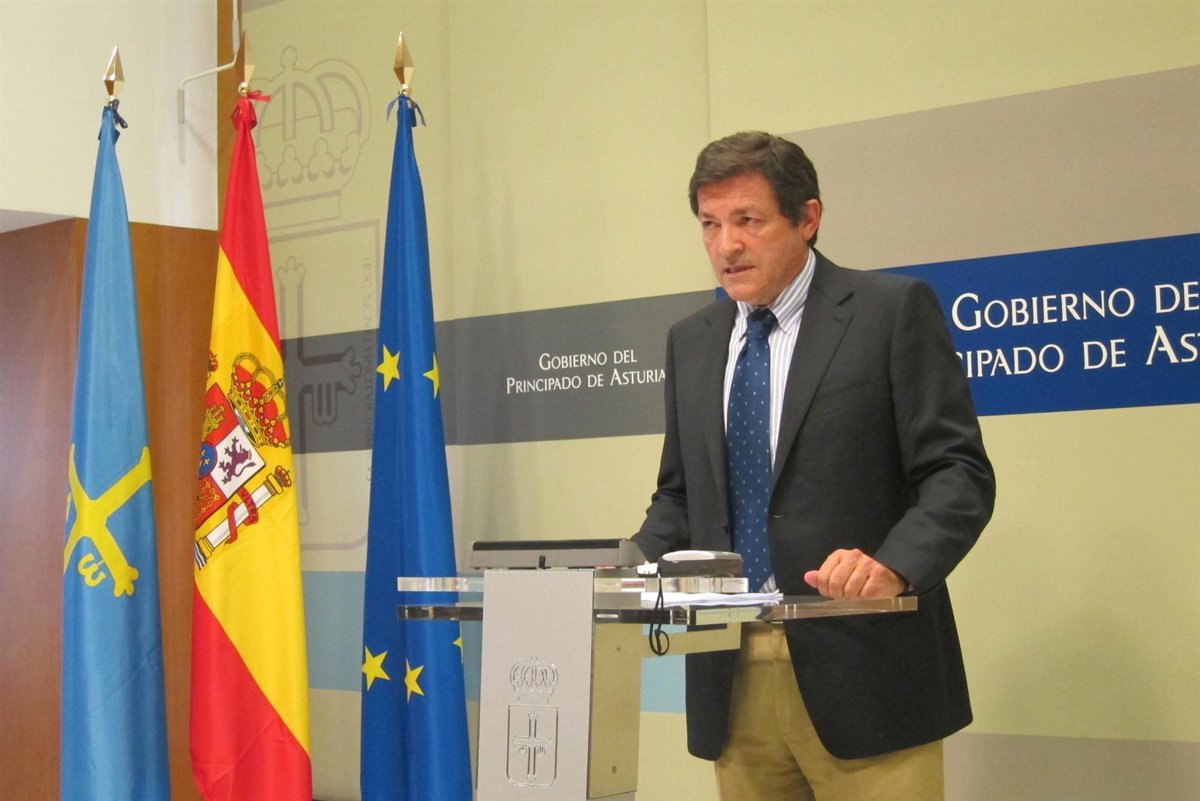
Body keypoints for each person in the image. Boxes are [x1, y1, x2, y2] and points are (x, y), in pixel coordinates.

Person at [632, 131, 996, 801]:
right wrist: (622, 566)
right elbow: (681, 497)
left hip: (868, 671)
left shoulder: (889, 312)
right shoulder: (692, 342)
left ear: (807, 218)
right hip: (730, 675)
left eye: (748, 220)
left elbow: (958, 472)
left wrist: (893, 565)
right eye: (710, 224)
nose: (726, 245)